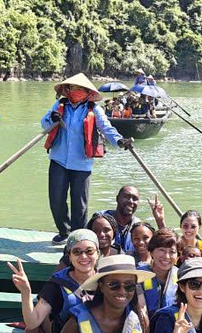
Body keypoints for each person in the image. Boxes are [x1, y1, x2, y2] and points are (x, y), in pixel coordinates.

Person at [42, 73, 132, 245]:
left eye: (78, 89)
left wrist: (120, 141)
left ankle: (78, 237)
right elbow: (44, 123)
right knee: (56, 198)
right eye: (71, 88)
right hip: (59, 159)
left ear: (86, 92)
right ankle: (64, 230)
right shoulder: (60, 105)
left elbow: (107, 128)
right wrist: (51, 118)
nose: (74, 91)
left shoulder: (94, 109)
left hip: (82, 163)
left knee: (80, 204)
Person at [8, 230, 99, 333]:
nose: (83, 256)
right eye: (77, 252)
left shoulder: (107, 281)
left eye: (89, 251)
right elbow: (32, 322)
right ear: (70, 256)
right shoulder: (57, 284)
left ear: (98, 253)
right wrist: (26, 292)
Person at [136, 228, 179, 318]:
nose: (167, 256)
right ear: (151, 251)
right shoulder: (138, 275)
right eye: (162, 250)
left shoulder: (182, 277)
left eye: (172, 252)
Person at [100, 185, 141, 253]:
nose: (131, 201)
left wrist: (159, 220)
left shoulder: (139, 226)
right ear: (117, 198)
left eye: (135, 198)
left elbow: (158, 247)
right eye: (127, 197)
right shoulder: (101, 219)